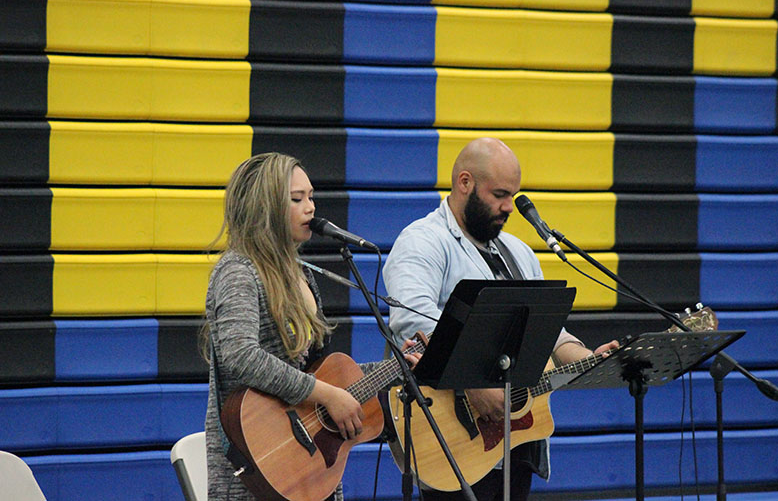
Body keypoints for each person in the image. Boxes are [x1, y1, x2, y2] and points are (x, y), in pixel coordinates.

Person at [382, 138, 618, 501]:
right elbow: (411, 320)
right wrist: (472, 383)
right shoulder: (422, 241)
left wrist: (588, 360)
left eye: (514, 195)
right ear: (465, 183)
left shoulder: (519, 254)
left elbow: (549, 334)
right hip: (453, 440)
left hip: (516, 444)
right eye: (500, 195)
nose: (510, 207)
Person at [201, 152, 421, 501]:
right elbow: (239, 355)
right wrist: (326, 394)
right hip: (258, 467)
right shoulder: (237, 271)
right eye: (296, 199)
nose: (311, 208)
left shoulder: (302, 275)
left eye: (311, 197)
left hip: (310, 464)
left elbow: (319, 376)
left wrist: (395, 368)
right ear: (265, 207)